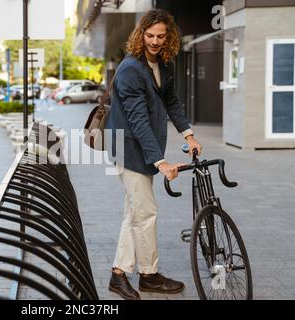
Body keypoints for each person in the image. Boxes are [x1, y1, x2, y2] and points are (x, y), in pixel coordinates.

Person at [105, 9, 202, 300]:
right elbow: (138, 119)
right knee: (145, 213)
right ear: (141, 34)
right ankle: (148, 275)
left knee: (134, 213)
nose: (155, 42)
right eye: (150, 36)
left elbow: (171, 101)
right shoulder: (130, 69)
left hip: (144, 147)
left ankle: (119, 273)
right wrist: (160, 162)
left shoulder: (163, 64)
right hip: (129, 148)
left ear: (168, 36)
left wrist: (189, 134)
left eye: (161, 36)